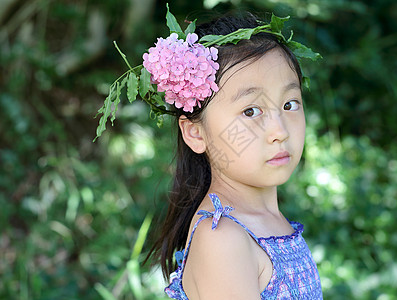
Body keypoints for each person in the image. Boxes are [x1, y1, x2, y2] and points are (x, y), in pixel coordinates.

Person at [96, 5, 322, 300]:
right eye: (251, 111)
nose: (279, 130)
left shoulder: (264, 221)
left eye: (290, 104)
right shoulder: (223, 239)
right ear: (195, 132)